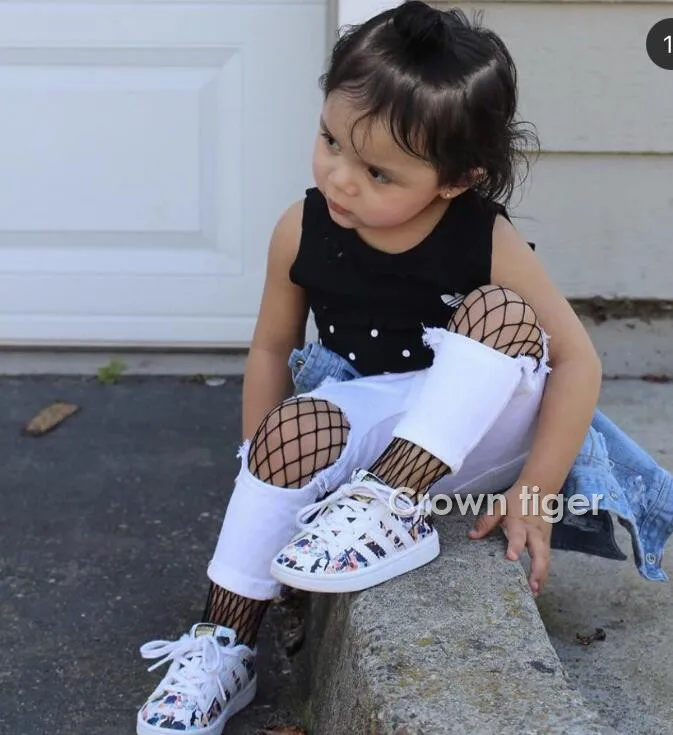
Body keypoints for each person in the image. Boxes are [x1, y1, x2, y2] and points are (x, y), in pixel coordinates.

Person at [135, 2, 604, 732]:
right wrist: (260, 468)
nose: (341, 178)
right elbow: (270, 349)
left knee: (501, 311)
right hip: (382, 410)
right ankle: (224, 645)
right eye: (330, 140)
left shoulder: (484, 237)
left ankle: (391, 508)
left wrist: (537, 491)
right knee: (286, 432)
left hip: (485, 424)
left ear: (456, 179)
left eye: (378, 172)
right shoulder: (300, 228)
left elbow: (577, 361)